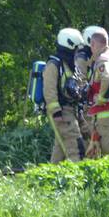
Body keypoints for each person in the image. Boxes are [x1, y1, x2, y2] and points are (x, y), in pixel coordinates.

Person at [43, 28, 87, 162]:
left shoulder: (69, 66)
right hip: (62, 113)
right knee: (76, 148)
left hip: (71, 111)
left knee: (60, 151)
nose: (76, 53)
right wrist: (56, 112)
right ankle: (78, 179)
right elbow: (49, 90)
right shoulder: (54, 65)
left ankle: (50, 177)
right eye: (75, 49)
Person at [75, 26, 106, 140]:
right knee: (88, 136)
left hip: (90, 104)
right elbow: (81, 81)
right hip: (84, 106)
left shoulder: (93, 57)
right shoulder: (82, 58)